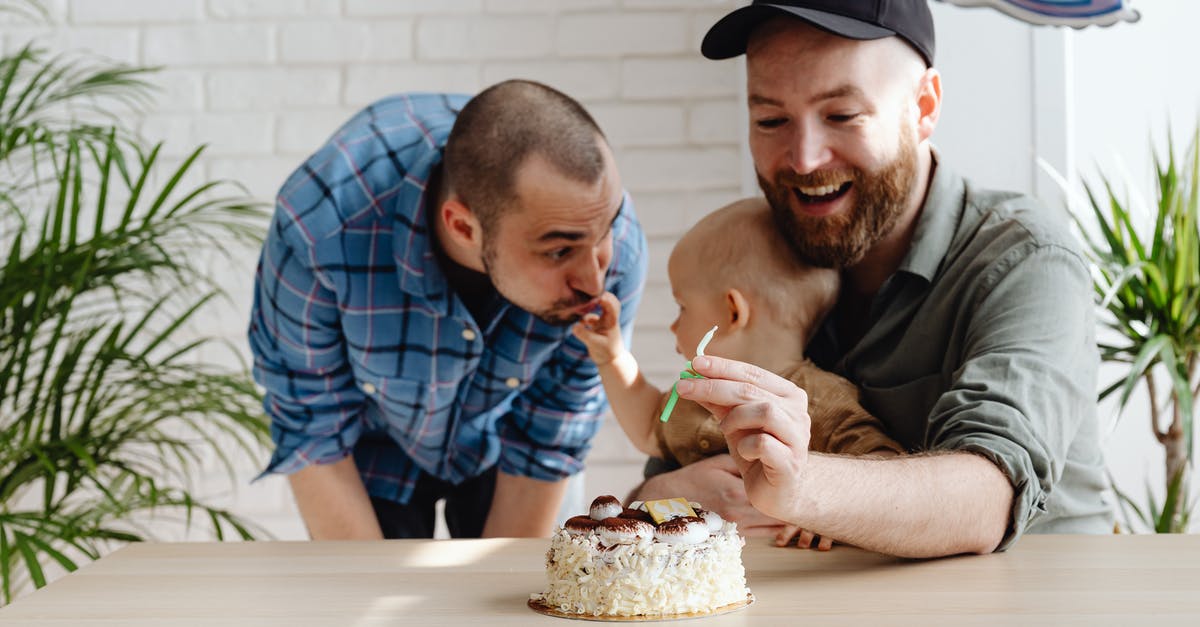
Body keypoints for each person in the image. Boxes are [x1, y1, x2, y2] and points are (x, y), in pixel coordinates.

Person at [634, 0, 1113, 558]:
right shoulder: (765, 252)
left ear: (924, 106)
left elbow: (987, 494)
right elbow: (675, 461)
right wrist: (660, 493)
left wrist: (802, 485)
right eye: (771, 120)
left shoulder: (1026, 258)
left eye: (841, 115)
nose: (805, 159)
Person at [248, 79, 647, 540]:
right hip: (372, 441)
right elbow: (313, 426)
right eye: (559, 252)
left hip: (509, 433)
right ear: (462, 226)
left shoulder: (604, 235)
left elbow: (549, 438)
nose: (594, 281)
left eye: (605, 232)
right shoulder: (319, 228)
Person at [573, 198, 903, 550]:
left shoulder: (825, 401)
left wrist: (836, 513)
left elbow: (887, 472)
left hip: (794, 579)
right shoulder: (697, 397)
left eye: (682, 307)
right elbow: (648, 427)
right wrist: (611, 357)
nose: (673, 325)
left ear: (732, 313)